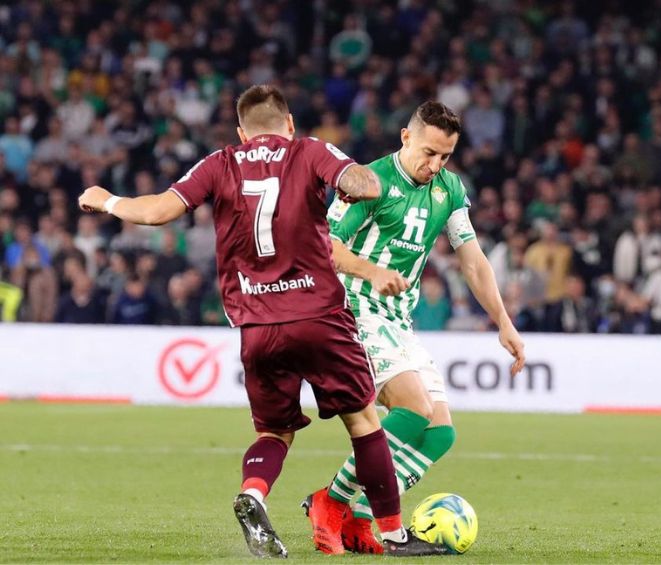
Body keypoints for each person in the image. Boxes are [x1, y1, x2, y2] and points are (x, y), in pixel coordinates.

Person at [78, 85, 448, 558]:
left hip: (256, 324)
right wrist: (351, 185)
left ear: (241, 130)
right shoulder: (310, 150)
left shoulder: (219, 162)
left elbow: (154, 212)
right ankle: (395, 536)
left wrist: (106, 199)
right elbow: (366, 185)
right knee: (364, 422)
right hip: (319, 317)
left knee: (274, 432)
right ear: (289, 123)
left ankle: (253, 493)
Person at [303, 101, 526, 554]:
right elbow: (328, 246)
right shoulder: (368, 181)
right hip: (352, 308)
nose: (435, 165)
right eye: (429, 153)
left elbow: (473, 260)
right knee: (413, 409)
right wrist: (371, 272)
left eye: (445, 156)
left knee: (440, 432)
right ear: (406, 136)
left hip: (397, 319)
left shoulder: (449, 190)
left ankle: (362, 513)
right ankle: (332, 500)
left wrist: (503, 321)